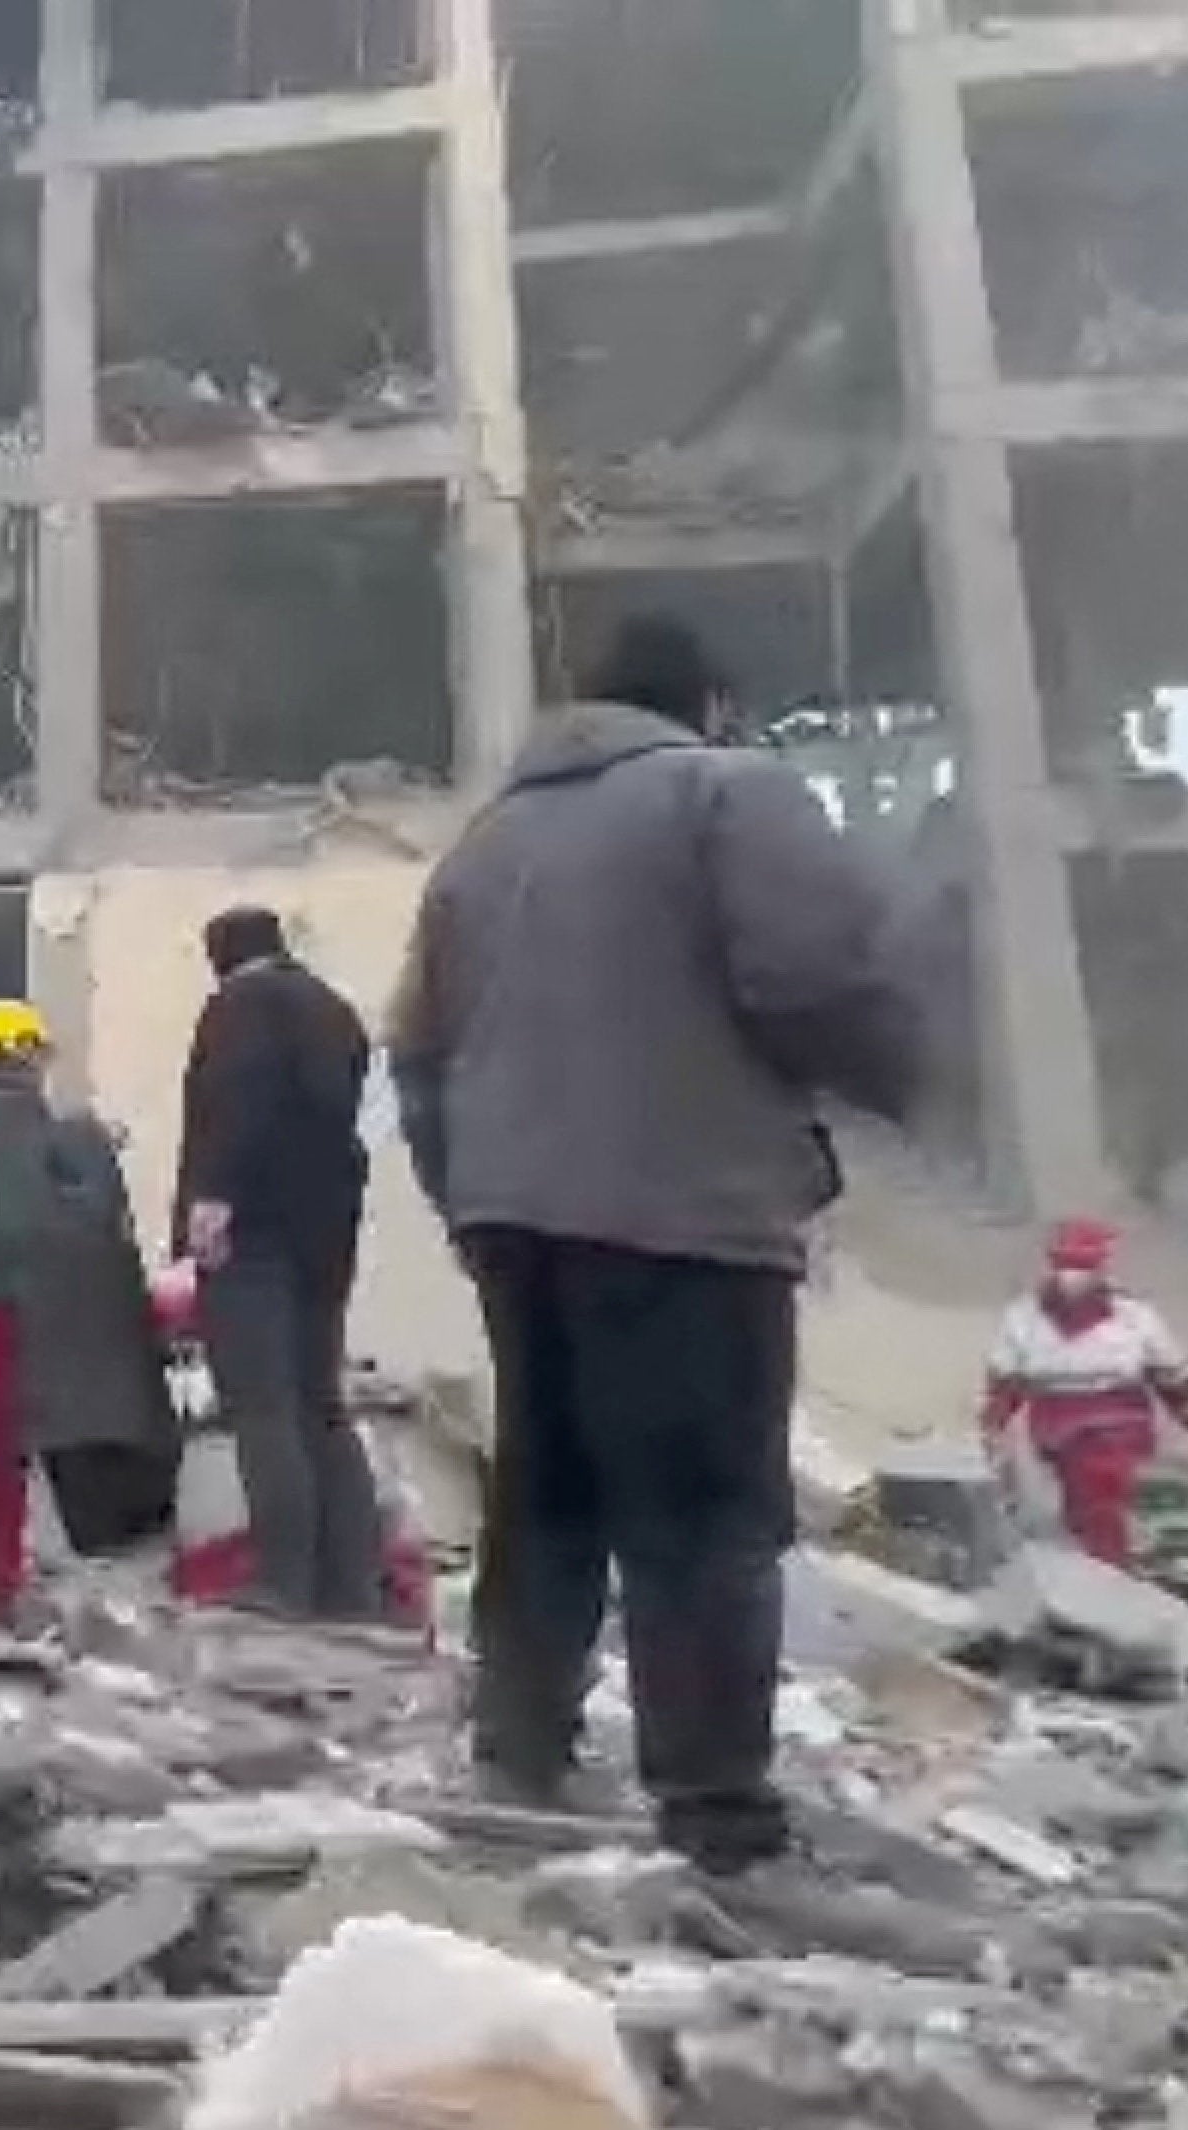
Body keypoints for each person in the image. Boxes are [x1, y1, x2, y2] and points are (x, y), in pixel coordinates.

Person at [389, 613, 914, 1875]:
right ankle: (717, 1818)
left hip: (516, 1219)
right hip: (685, 1212)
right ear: (713, 707)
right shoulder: (728, 795)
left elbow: (415, 1051)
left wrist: (469, 1203)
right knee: (704, 1514)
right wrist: (889, 1090)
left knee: (547, 1493)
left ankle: (517, 1756)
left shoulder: (484, 843)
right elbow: (813, 983)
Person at [0, 1000, 183, 1616]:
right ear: (18, 1052)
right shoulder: (10, 1118)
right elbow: (29, 1221)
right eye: (36, 1053)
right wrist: (89, 1150)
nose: (42, 1066)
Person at [177, 904, 384, 1620]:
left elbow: (239, 1098)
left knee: (262, 1406)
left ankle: (284, 1583)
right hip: (328, 1236)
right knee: (321, 1404)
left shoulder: (241, 1005)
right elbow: (372, 1121)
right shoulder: (337, 1012)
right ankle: (353, 1589)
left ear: (223, 955)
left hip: (253, 1238)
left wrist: (214, 1196)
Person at [978, 1218, 1188, 1564]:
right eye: (1064, 1264)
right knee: (1082, 1494)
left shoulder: (1134, 1320)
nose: (1071, 1276)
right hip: (1058, 1434)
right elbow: (1001, 1396)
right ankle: (1104, 1562)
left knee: (1112, 1489)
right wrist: (992, 1447)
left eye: (1082, 1266)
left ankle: (1122, 1563)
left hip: (1124, 1432)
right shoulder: (1023, 1320)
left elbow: (1183, 1395)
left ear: (1100, 1269)